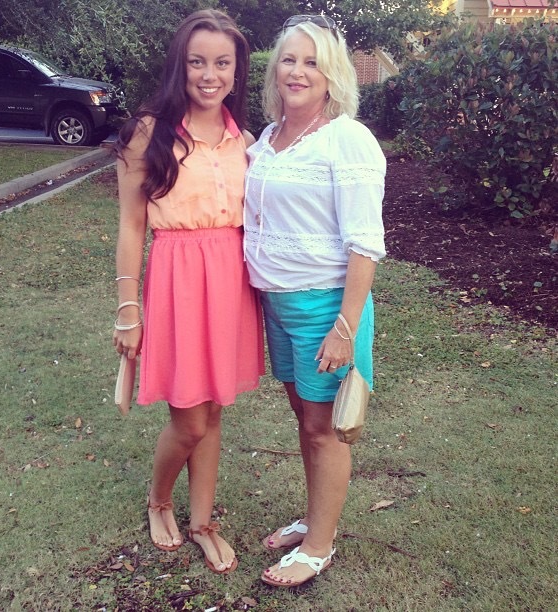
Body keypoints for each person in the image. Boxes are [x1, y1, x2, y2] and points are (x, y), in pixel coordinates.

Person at [112, 9, 264, 575]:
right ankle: (159, 500)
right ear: (181, 65)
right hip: (177, 280)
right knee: (190, 421)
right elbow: (131, 228)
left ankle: (202, 523)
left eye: (222, 63)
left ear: (236, 70)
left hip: (230, 281)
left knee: (214, 410)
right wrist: (128, 308)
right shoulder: (148, 134)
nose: (209, 74)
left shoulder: (244, 140)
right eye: (197, 61)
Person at [243, 15, 386, 587]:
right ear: (274, 69)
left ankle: (319, 546)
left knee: (324, 429)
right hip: (277, 304)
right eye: (289, 59)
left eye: (312, 62)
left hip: (325, 307)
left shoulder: (345, 138)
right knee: (306, 421)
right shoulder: (268, 138)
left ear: (332, 75)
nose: (298, 72)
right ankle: (315, 518)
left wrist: (345, 328)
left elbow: (364, 243)